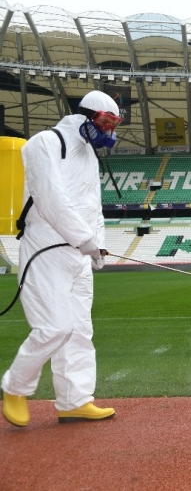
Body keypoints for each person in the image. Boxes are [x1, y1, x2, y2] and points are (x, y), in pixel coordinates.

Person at [1, 90, 122, 427]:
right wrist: (85, 240)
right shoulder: (44, 142)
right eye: (105, 122)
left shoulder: (90, 156)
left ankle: (74, 401)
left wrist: (96, 245)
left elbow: (92, 208)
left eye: (114, 124)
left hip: (79, 256)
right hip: (46, 250)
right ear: (85, 116)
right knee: (55, 328)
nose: (109, 130)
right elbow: (50, 197)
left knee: (79, 330)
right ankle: (14, 386)